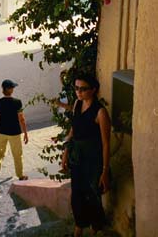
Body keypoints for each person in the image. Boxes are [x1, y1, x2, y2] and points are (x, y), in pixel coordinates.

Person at [61, 74, 111, 237]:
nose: (79, 92)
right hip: (78, 157)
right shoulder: (77, 104)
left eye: (83, 89)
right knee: (77, 194)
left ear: (93, 89)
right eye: (76, 88)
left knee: (93, 196)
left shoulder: (100, 112)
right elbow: (73, 131)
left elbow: (105, 144)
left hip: (93, 160)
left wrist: (104, 171)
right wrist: (65, 152)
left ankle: (96, 228)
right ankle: (79, 227)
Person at [0, 79, 28, 183]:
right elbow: (22, 119)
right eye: (12, 87)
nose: (13, 89)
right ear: (9, 89)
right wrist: (25, 133)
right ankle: (20, 175)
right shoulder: (17, 102)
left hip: (1, 132)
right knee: (17, 155)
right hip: (14, 133)